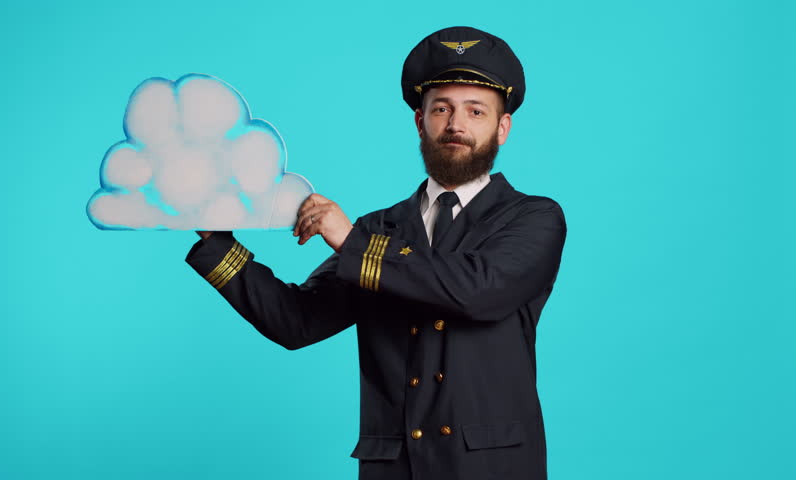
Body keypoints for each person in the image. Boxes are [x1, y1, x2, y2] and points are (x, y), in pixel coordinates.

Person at [186, 26, 567, 480]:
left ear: (502, 128)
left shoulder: (534, 217)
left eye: (476, 110)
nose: (456, 124)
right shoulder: (378, 228)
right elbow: (296, 321)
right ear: (419, 121)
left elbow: (477, 290)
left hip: (492, 468)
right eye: (441, 108)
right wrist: (216, 240)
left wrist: (351, 243)